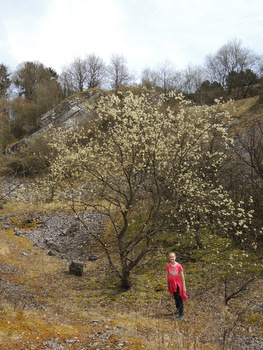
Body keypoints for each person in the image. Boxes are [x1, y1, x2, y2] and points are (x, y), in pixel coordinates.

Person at [165, 252, 188, 321]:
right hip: (171, 284)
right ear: (169, 258)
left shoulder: (179, 266)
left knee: (180, 298)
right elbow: (166, 276)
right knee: (175, 298)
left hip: (178, 284)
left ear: (175, 257)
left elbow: (182, 277)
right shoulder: (168, 266)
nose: (172, 258)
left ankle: (181, 314)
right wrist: (166, 285)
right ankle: (177, 310)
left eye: (173, 257)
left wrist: (184, 287)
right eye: (170, 257)